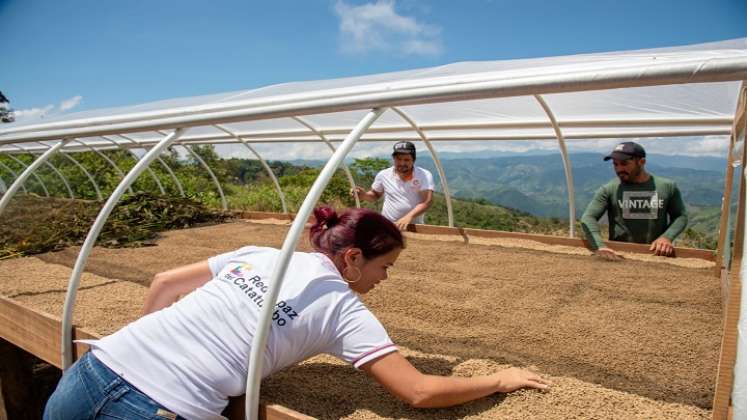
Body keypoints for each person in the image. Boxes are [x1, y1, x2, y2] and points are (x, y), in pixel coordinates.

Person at [44, 207, 551, 420]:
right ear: (353, 258)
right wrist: (499, 380)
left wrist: (147, 343)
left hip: (92, 370)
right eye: (385, 266)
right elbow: (418, 392)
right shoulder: (342, 309)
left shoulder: (261, 254)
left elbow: (163, 283)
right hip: (159, 409)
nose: (385, 280)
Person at [580, 141, 688, 261]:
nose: (619, 169)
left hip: (656, 255)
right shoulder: (609, 189)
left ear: (641, 162)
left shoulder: (667, 187)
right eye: (615, 164)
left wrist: (667, 237)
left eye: (624, 163)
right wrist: (600, 246)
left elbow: (680, 216)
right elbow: (588, 217)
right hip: (618, 255)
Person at [352, 141, 435, 230]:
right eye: (399, 159)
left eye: (406, 160)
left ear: (413, 160)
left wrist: (408, 217)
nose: (402, 163)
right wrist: (364, 195)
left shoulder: (423, 175)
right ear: (393, 159)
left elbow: (426, 201)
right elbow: (375, 195)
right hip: (388, 226)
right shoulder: (384, 175)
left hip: (414, 226)